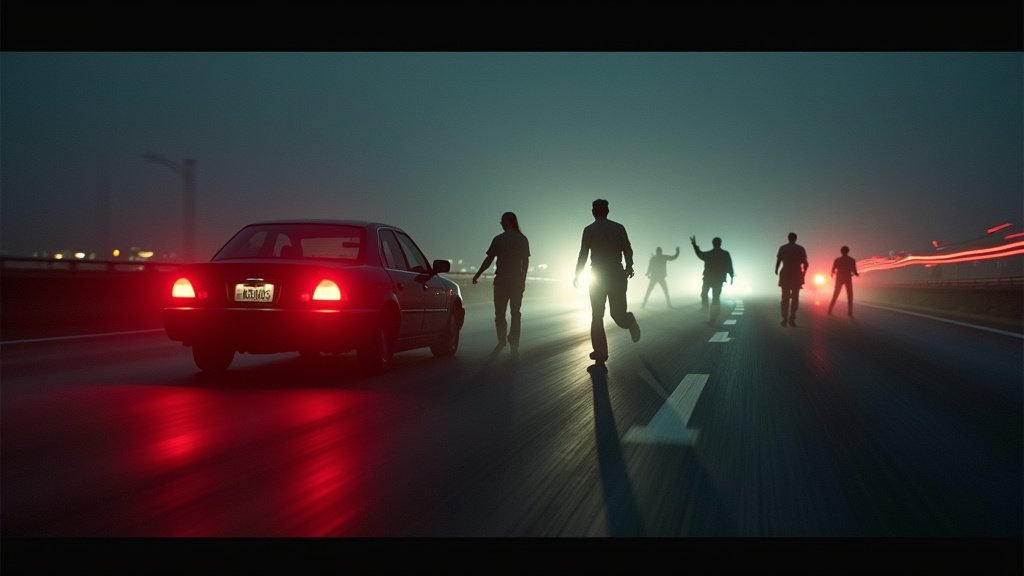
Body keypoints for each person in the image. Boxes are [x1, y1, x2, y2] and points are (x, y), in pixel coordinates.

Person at [573, 198, 641, 369]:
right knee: (614, 314)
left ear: (593, 211)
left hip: (598, 275)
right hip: (616, 274)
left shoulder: (589, 230)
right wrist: (629, 265)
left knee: (598, 315)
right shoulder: (618, 227)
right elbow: (628, 248)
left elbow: (583, 254)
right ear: (607, 211)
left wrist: (577, 274)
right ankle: (601, 353)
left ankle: (626, 325)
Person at [472, 211, 530, 356]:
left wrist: (478, 274)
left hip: (501, 281)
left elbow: (489, 259)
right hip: (517, 281)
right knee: (515, 313)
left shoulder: (498, 239)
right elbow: (525, 262)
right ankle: (514, 342)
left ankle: (502, 339)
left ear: (506, 222)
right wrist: (523, 280)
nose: (500, 224)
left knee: (500, 313)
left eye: (502, 221)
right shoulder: (523, 239)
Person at [689, 236, 734, 325]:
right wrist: (731, 276)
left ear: (714, 243)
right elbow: (729, 265)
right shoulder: (724, 254)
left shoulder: (712, 254)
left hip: (710, 278)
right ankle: (712, 313)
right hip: (716, 279)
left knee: (707, 295)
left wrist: (694, 245)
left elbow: (700, 254)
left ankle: (711, 313)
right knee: (713, 297)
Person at [775, 232, 809, 327]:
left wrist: (776, 269)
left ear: (788, 238)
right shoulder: (800, 249)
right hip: (796, 274)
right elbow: (806, 264)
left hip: (785, 273)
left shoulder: (783, 248)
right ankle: (792, 315)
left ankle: (784, 317)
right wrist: (803, 273)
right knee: (795, 296)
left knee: (785, 297)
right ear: (796, 238)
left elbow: (778, 261)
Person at [828, 245, 859, 318]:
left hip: (839, 278)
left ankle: (830, 310)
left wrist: (832, 275)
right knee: (850, 295)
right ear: (848, 251)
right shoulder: (852, 260)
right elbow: (854, 271)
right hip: (848, 278)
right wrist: (857, 274)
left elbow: (833, 269)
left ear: (841, 252)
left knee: (835, 294)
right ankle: (850, 313)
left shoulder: (837, 260)